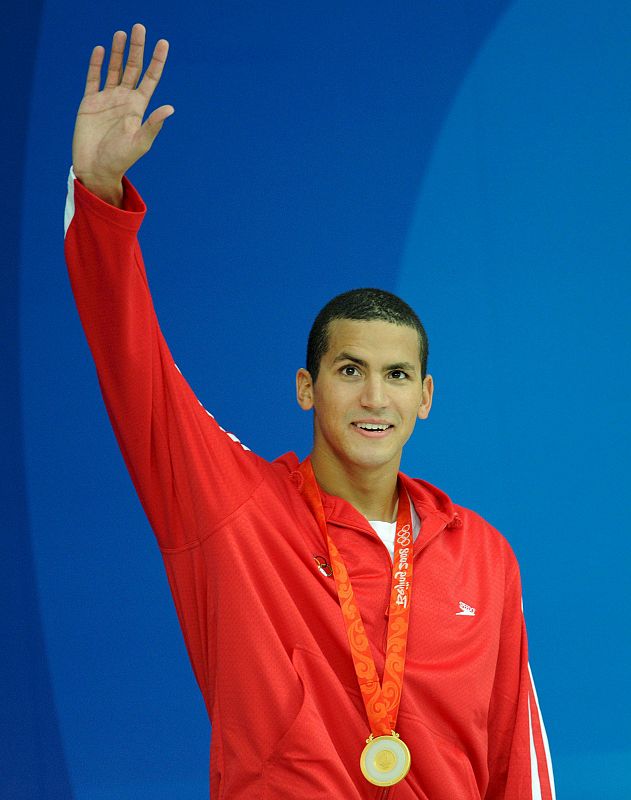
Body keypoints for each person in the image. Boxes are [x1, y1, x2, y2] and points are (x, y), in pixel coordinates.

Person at [64, 23, 556, 800]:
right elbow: (137, 375)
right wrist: (97, 197)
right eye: (350, 370)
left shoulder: (483, 558)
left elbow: (515, 763)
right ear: (307, 387)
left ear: (424, 398)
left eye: (397, 376)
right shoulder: (235, 509)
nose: (373, 396)